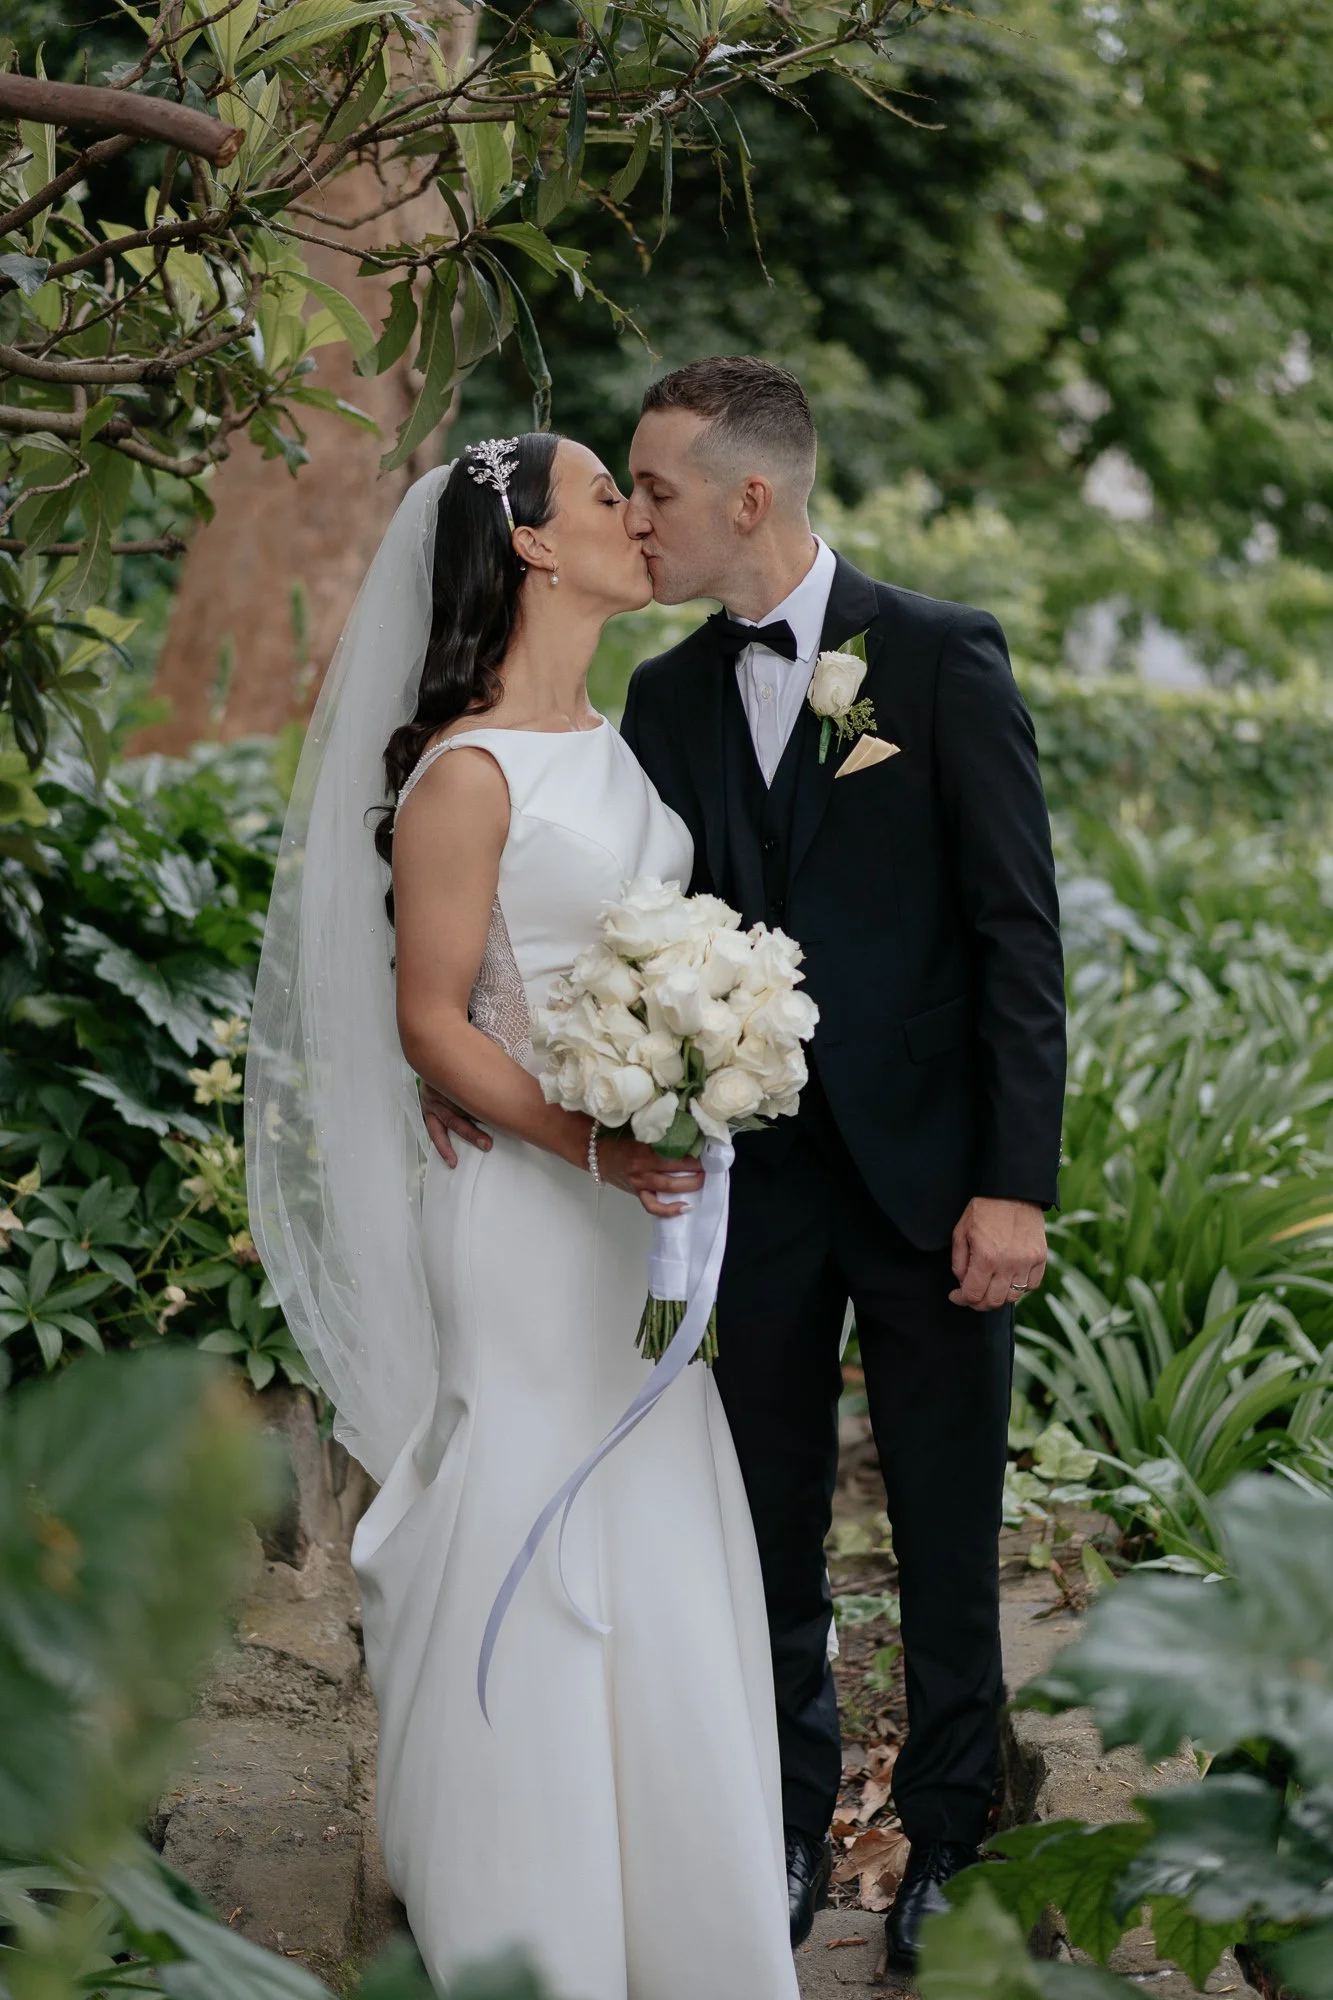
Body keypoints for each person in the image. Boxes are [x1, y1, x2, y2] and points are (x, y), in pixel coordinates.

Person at [423, 358, 1067, 1972]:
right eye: (619, 494)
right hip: (740, 1197)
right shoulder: (668, 700)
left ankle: (948, 1847)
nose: (640, 518)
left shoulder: (937, 659)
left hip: (934, 1191)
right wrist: (500, 1067)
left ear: (749, 498)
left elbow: (1016, 939)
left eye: (656, 492)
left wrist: (1018, 1185)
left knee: (943, 1530)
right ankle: (774, 1830)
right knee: (762, 1528)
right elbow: (610, 930)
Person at [246, 434, 801, 1999]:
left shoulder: (616, 746)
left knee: (657, 1530)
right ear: (535, 551)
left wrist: (703, 1075)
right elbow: (434, 1022)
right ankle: (534, 1939)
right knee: (527, 1521)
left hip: (633, 1216)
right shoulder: (466, 772)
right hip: (527, 1212)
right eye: (603, 497)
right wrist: (592, 1143)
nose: (640, 516)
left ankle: (682, 1935)